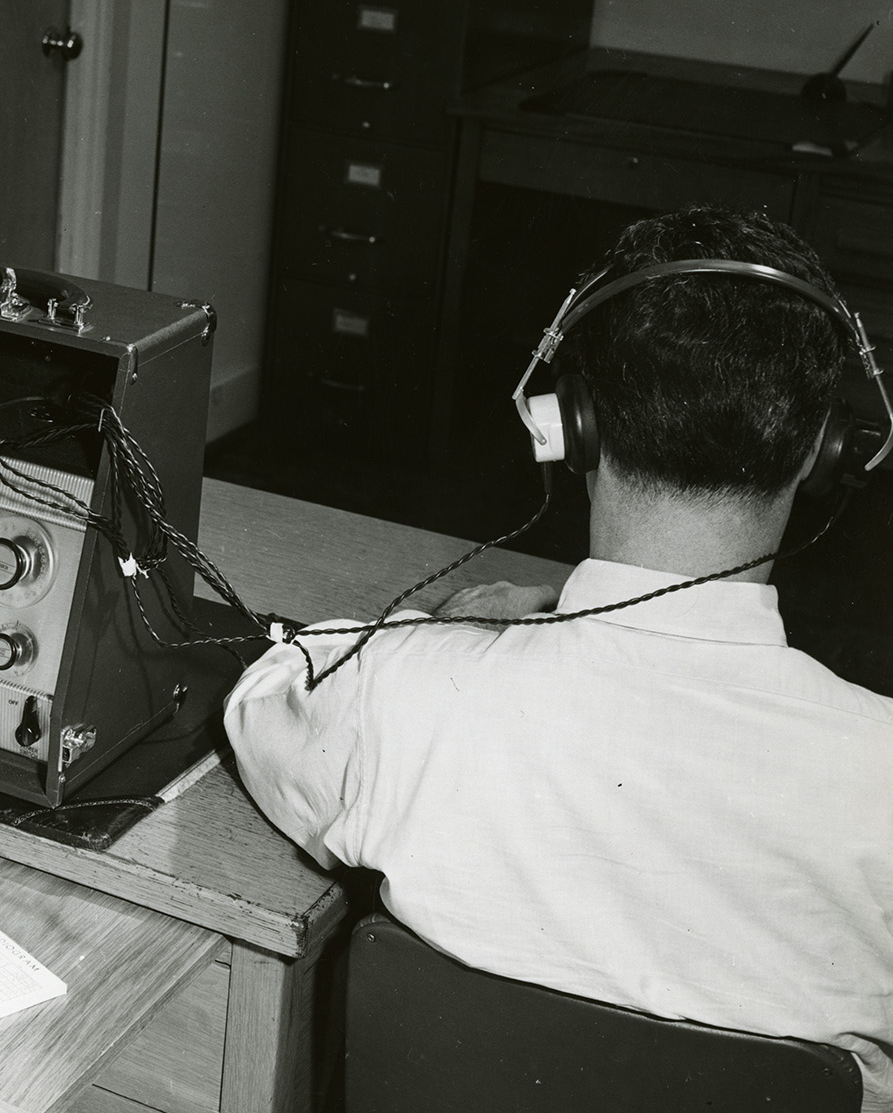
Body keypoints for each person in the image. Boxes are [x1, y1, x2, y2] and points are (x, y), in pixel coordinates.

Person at [223, 208, 893, 1106]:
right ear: (825, 451)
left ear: (568, 424)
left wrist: (446, 630)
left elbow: (264, 699)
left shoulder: (407, 696)